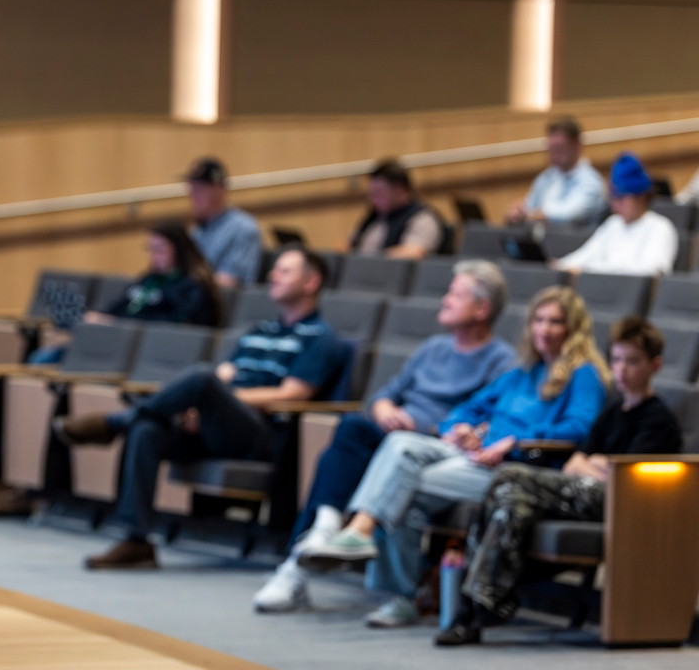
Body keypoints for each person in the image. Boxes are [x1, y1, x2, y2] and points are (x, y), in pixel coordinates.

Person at [306, 286, 608, 628]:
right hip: (472, 455)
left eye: (555, 322)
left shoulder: (583, 374)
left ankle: (397, 589)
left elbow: (580, 428)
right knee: (401, 443)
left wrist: (515, 443)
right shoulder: (524, 371)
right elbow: (467, 407)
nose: (544, 329)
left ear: (573, 329)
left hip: (517, 469)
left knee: (404, 484)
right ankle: (364, 536)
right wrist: (460, 427)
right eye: (538, 320)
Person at [54, 246, 344, 569]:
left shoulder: (321, 338)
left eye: (285, 271)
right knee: (148, 428)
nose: (273, 276)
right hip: (217, 425)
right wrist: (197, 408)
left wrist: (220, 398)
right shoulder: (259, 331)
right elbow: (225, 375)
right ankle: (136, 541)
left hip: (261, 435)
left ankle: (113, 423)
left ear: (311, 282)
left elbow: (292, 395)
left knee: (202, 378)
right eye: (274, 270)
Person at [253, 260, 517, 613]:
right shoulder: (433, 348)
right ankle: (322, 530)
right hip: (392, 436)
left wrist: (423, 428)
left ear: (482, 308)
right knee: (351, 428)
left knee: (376, 446)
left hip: (434, 449)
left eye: (456, 294)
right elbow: (382, 396)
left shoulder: (501, 361)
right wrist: (386, 411)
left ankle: (301, 560)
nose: (445, 300)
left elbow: (483, 423)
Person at [436, 316, 682, 646]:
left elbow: (623, 476)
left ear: (655, 366)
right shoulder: (612, 411)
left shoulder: (657, 418)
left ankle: (483, 601)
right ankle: (481, 606)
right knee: (511, 501)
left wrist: (594, 465)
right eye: (617, 360)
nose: (622, 370)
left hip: (620, 503)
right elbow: (575, 462)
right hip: (587, 492)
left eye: (633, 361)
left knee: (510, 475)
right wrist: (593, 464)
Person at [553, 152, 678, 277]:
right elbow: (585, 254)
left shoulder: (660, 227)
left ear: (641, 196)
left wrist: (591, 268)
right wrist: (559, 265)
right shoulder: (613, 224)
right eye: (613, 198)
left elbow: (651, 271)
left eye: (621, 198)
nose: (615, 205)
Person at [88, 221, 221, 327]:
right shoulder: (151, 278)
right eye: (151, 249)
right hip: (124, 336)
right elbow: (122, 303)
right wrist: (102, 316)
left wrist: (119, 322)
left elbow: (177, 324)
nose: (154, 257)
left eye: (159, 250)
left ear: (178, 249)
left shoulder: (192, 286)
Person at [506, 117, 606, 228]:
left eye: (559, 148)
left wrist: (532, 216)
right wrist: (517, 212)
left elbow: (568, 214)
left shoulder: (591, 181)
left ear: (576, 144)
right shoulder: (546, 177)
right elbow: (529, 206)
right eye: (551, 149)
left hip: (573, 242)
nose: (554, 155)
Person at [185, 157, 262, 288]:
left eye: (200, 190)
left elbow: (231, 282)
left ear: (219, 188)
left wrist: (184, 284)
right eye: (192, 190)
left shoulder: (243, 228)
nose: (194, 196)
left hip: (227, 304)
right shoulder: (198, 229)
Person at [347, 160, 446, 260]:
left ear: (399, 189)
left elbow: (414, 252)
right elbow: (349, 244)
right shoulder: (374, 216)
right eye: (372, 194)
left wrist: (369, 261)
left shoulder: (423, 218)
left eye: (379, 193)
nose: (374, 200)